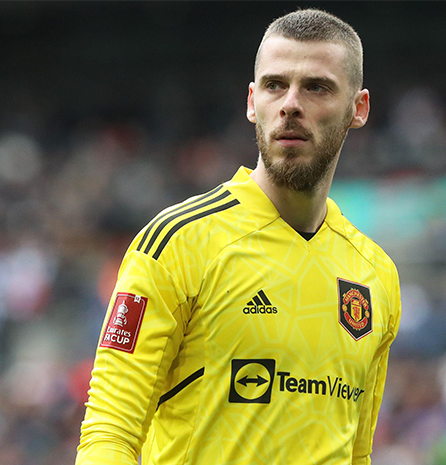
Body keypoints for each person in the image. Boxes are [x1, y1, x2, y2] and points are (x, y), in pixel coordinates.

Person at [76, 8, 401, 465]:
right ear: (252, 102)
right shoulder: (178, 244)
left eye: (316, 87)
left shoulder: (376, 275)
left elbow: (357, 454)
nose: (290, 103)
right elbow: (108, 436)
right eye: (274, 85)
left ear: (358, 108)